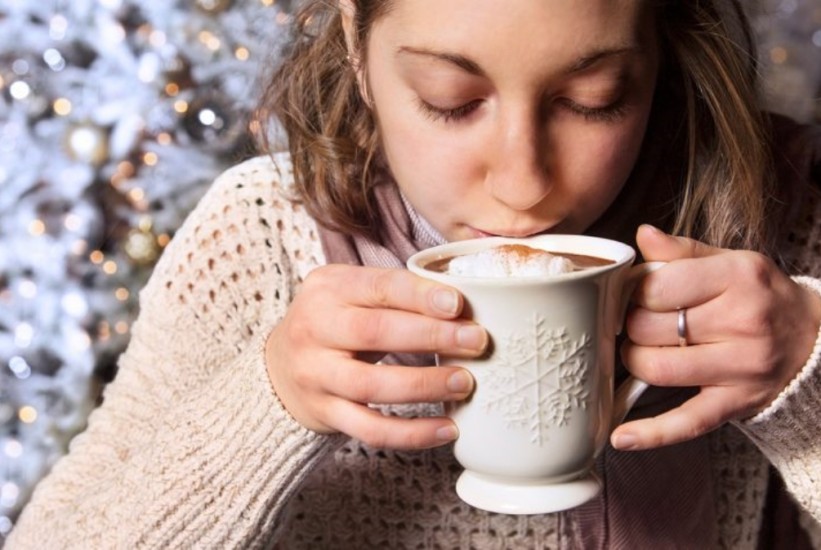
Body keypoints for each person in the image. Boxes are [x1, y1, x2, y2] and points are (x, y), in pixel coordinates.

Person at [7, 0, 821, 548]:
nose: (523, 181)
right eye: (449, 100)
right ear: (359, 51)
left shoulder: (773, 224)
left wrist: (804, 376)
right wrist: (270, 401)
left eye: (594, 98)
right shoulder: (260, 238)